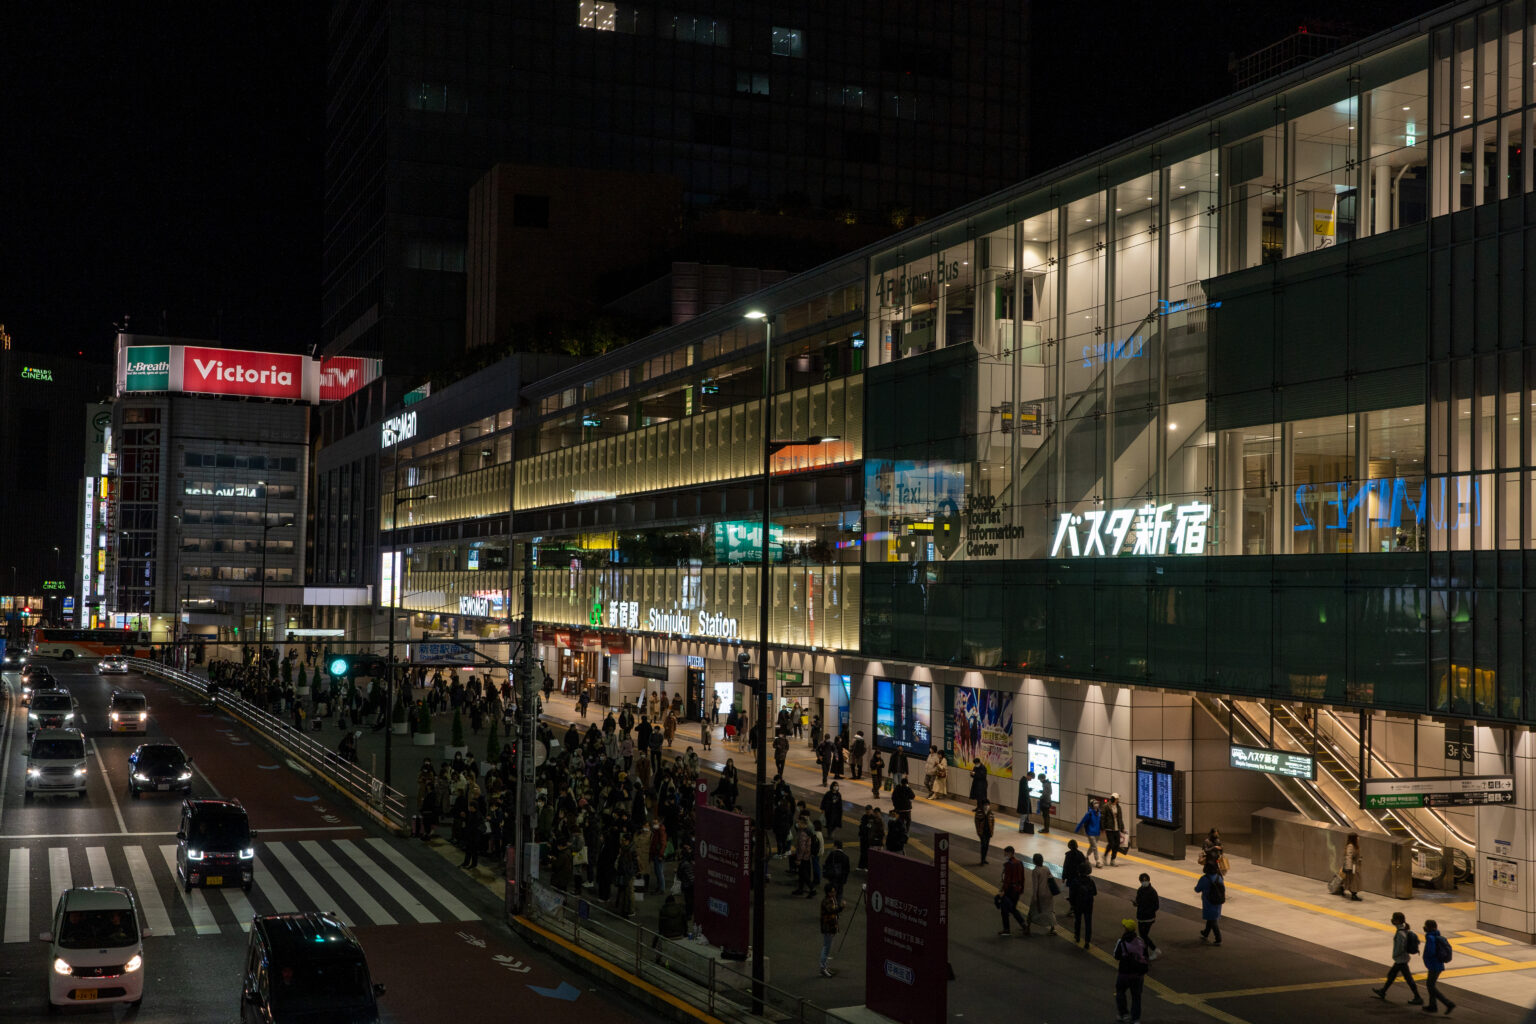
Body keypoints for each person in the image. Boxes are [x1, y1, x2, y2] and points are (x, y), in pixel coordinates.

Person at [1372, 911, 1424, 1004]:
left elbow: (1401, 947)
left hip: (1401, 959)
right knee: (1392, 975)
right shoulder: (1403, 930)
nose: (1392, 920)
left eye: (1393, 918)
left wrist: (1395, 955)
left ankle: (1418, 997)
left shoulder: (1400, 933)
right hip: (1402, 959)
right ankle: (1383, 991)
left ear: (1397, 921)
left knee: (1407, 979)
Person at [1112, 918, 1150, 1024]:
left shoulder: (1121, 941)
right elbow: (1146, 956)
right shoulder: (1141, 941)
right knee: (1136, 996)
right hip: (1137, 975)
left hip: (1124, 973)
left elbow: (1116, 956)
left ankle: (1123, 1014)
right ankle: (1136, 1019)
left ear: (1126, 929)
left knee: (1120, 992)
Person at [1421, 918, 1456, 1014]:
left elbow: (1431, 952)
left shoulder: (1430, 938)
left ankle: (1448, 1003)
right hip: (1438, 964)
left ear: (1428, 927)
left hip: (1434, 965)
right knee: (1431, 985)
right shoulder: (1437, 935)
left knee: (1430, 986)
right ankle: (1432, 1006)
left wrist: (1426, 957)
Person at [997, 846, 1027, 935]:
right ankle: (1023, 925)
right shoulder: (1020, 863)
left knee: (1004, 909)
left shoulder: (1009, 865)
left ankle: (1006, 929)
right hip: (1017, 890)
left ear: (1010, 853)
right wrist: (1022, 889)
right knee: (1013, 908)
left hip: (1009, 890)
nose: (1004, 855)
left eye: (1005, 853)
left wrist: (1003, 891)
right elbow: (1022, 878)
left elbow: (1007, 880)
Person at [1195, 860, 1225, 945]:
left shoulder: (1204, 878)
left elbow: (1197, 889)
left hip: (1209, 902)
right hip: (1218, 901)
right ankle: (1206, 933)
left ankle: (1218, 939)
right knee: (1211, 918)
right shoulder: (1219, 877)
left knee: (1212, 920)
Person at [1026, 852, 1056, 936]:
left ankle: (1027, 928)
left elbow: (1035, 885)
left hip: (1040, 894)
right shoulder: (1046, 868)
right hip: (1048, 894)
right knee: (1049, 911)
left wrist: (1034, 896)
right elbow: (1051, 880)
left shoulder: (1035, 871)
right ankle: (1053, 928)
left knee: (1032, 911)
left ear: (1034, 861)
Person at [1068, 862, 1097, 947]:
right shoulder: (1091, 881)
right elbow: (1095, 893)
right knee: (1088, 922)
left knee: (1078, 920)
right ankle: (1087, 941)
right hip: (1088, 904)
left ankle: (1077, 936)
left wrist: (1072, 904)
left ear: (1078, 871)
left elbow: (1072, 894)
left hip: (1078, 904)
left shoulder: (1075, 881)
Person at [1133, 873, 1161, 959]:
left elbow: (1156, 906)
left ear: (1149, 880)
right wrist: (1136, 904)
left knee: (1143, 935)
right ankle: (1145, 953)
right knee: (1143, 935)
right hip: (1141, 916)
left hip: (1148, 917)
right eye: (1142, 881)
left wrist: (1148, 911)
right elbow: (1138, 901)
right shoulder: (1140, 890)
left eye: (1146, 880)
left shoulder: (1152, 892)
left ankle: (1154, 949)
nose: (1144, 882)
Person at [818, 884, 842, 977]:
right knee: (826, 948)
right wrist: (841, 907)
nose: (834, 893)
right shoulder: (826, 901)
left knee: (828, 948)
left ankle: (825, 967)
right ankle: (823, 968)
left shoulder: (833, 899)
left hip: (832, 927)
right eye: (832, 891)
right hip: (827, 927)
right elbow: (832, 910)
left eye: (834, 891)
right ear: (828, 893)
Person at [1074, 799, 1104, 868]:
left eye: (1097, 803)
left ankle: (1086, 856)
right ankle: (1098, 861)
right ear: (1092, 805)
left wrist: (1102, 829)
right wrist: (1077, 829)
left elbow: (1100, 822)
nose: (1097, 804)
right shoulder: (1089, 813)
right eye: (1095, 803)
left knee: (1092, 846)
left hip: (1097, 833)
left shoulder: (1099, 813)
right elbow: (1082, 821)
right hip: (1090, 832)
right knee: (1095, 847)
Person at [1103, 794, 1126, 865]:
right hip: (1109, 828)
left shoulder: (1118, 807)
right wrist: (1103, 827)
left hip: (1116, 828)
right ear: (1114, 799)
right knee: (1111, 843)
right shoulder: (1106, 806)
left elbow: (1120, 818)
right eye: (1117, 799)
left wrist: (1122, 827)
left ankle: (1113, 859)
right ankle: (1105, 855)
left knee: (1117, 844)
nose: (1118, 800)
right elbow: (1103, 817)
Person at [1341, 832, 1362, 901]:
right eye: (1357, 837)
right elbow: (1348, 856)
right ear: (1354, 838)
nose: (1358, 838)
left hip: (1355, 866)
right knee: (1353, 881)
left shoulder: (1355, 845)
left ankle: (1342, 888)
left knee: (1349, 880)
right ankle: (1353, 894)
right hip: (1352, 867)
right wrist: (1349, 867)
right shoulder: (1350, 846)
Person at [975, 798, 996, 865]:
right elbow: (977, 823)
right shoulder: (979, 812)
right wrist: (978, 831)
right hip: (982, 832)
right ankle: (982, 859)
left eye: (988, 804)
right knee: (983, 845)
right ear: (982, 805)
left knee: (986, 846)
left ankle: (984, 859)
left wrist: (992, 831)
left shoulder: (991, 813)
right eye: (985, 805)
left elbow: (993, 823)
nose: (987, 806)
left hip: (988, 832)